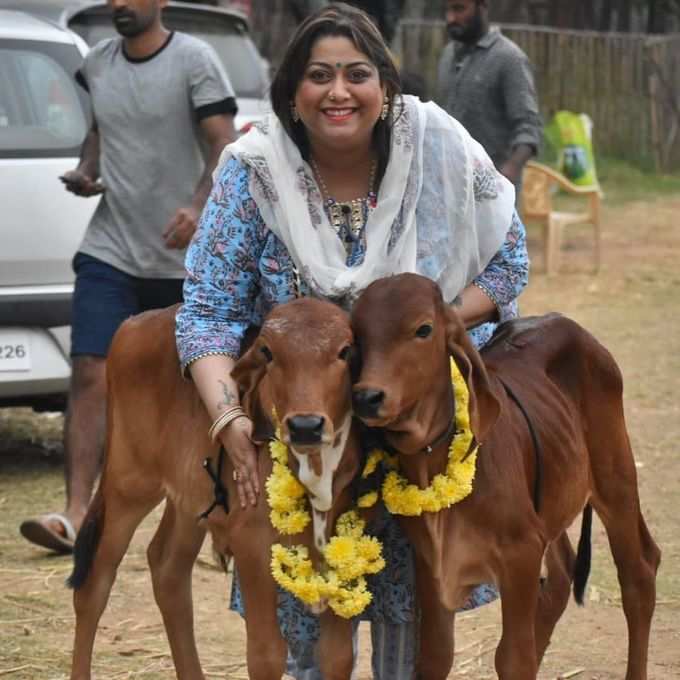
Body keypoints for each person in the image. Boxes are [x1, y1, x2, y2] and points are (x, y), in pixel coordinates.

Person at [176, 3, 528, 677]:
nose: (338, 91)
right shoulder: (251, 173)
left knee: (413, 639)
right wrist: (228, 421)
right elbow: (207, 315)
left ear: (386, 87)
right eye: (318, 75)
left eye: (357, 73)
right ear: (291, 95)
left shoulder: (441, 152)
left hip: (411, 439)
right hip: (302, 444)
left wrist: (432, 331)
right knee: (306, 637)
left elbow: (509, 264)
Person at [20, 0, 237, 553]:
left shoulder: (195, 60)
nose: (120, 4)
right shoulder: (96, 63)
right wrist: (88, 169)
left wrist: (198, 205)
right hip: (110, 245)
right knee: (90, 369)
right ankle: (73, 515)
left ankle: (217, 512)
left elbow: (223, 144)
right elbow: (101, 127)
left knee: (195, 387)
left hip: (181, 258)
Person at [437, 0, 542, 192]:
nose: (451, 18)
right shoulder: (447, 55)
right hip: (451, 188)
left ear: (482, 7)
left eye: (459, 8)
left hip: (494, 193)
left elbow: (529, 129)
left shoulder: (509, 58)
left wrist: (507, 173)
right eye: (447, 10)